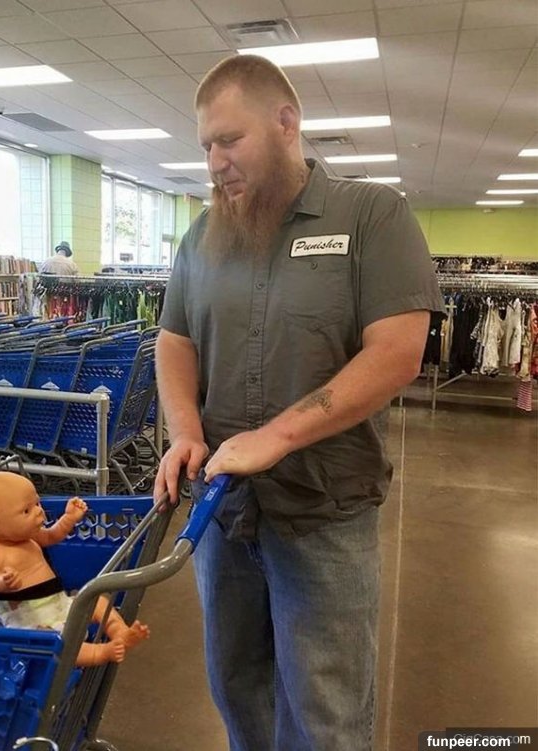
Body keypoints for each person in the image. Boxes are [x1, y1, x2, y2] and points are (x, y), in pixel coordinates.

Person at [153, 55, 445, 751]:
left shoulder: (372, 215)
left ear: (286, 123)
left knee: (325, 712)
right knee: (236, 687)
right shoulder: (203, 234)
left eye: (230, 139)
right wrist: (184, 429)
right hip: (222, 512)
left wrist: (277, 436)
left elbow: (397, 352)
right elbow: (174, 339)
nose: (215, 162)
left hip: (324, 514)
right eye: (206, 146)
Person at [0, 471, 149, 667]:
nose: (39, 511)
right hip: (32, 624)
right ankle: (99, 653)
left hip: (60, 604)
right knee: (55, 646)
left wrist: (69, 518)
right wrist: (4, 582)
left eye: (37, 503)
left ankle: (120, 632)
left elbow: (52, 536)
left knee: (98, 601)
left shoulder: (27, 536)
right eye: (26, 511)